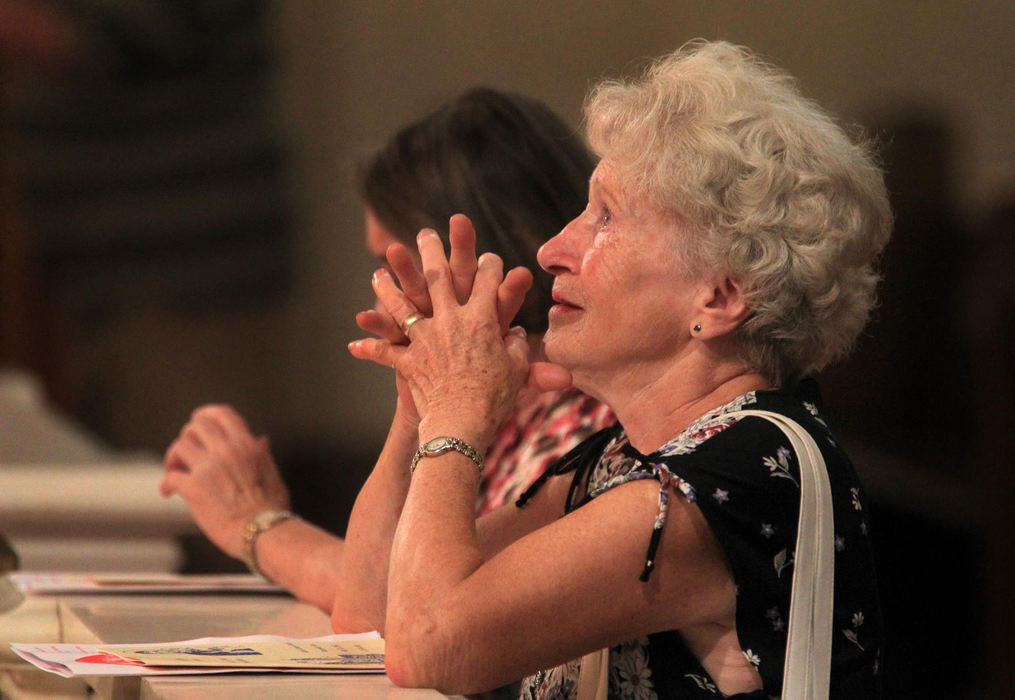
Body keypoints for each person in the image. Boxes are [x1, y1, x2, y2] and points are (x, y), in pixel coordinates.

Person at [342, 41, 890, 699]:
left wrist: (458, 409)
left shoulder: (741, 470)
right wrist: (422, 400)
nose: (551, 251)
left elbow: (430, 647)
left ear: (717, 297)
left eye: (605, 217)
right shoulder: (628, 456)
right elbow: (371, 620)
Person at [159, 87, 614, 612]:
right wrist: (414, 406)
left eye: (390, 265)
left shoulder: (585, 420)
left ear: (474, 252)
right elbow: (380, 598)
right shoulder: (500, 403)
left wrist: (256, 526)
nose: (388, 295)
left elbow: (391, 613)